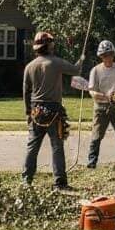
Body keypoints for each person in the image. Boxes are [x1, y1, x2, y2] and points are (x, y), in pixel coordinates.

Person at [22, 30, 82, 189]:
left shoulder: (29, 67)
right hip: (54, 110)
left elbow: (26, 92)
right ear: (48, 46)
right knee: (57, 146)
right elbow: (75, 70)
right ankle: (60, 182)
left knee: (32, 146)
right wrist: (81, 59)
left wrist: (28, 112)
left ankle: (26, 180)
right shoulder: (55, 62)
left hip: (36, 111)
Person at [86, 39, 115, 169]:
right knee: (96, 136)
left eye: (109, 54)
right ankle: (91, 163)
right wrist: (105, 96)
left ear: (113, 54)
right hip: (101, 107)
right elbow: (92, 91)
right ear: (101, 56)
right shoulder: (96, 71)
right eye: (104, 55)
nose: (107, 57)